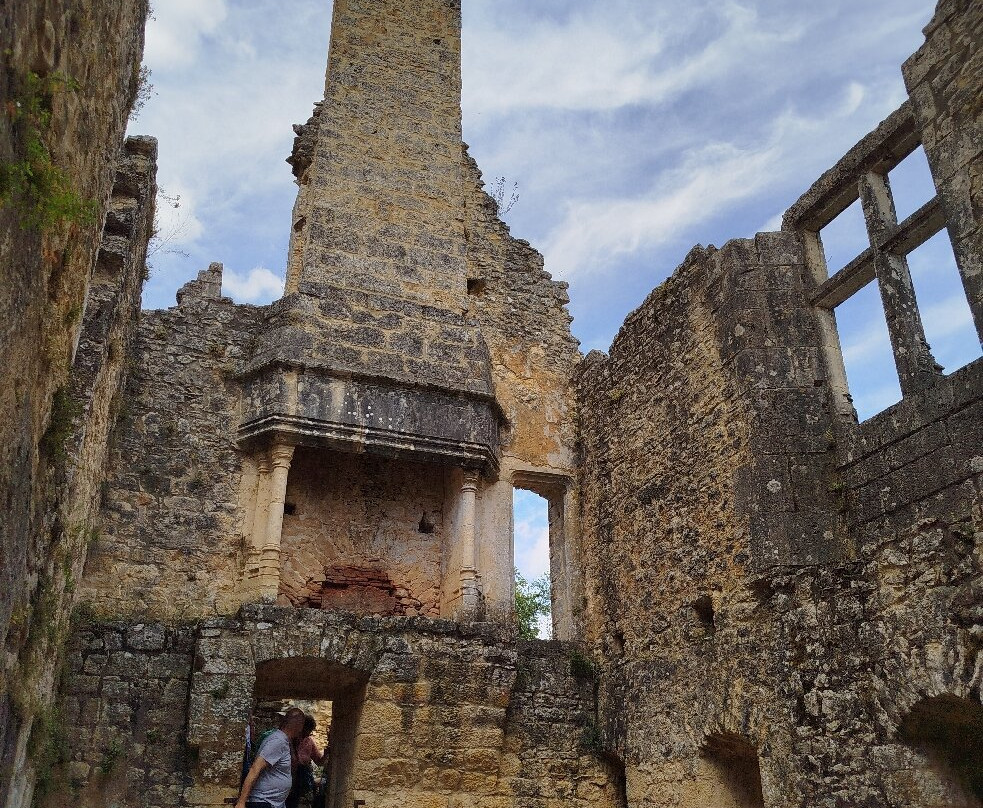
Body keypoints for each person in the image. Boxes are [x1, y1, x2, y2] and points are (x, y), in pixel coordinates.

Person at [236, 706, 305, 808]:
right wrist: (241, 802)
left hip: (272, 803)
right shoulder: (278, 741)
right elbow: (255, 768)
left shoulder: (284, 741)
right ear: (298, 725)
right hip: (263, 801)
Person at [286, 715, 325, 808]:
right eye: (307, 730)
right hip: (289, 774)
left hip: (304, 777)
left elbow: (319, 761)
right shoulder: (289, 739)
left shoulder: (309, 741)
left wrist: (326, 754)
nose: (308, 734)